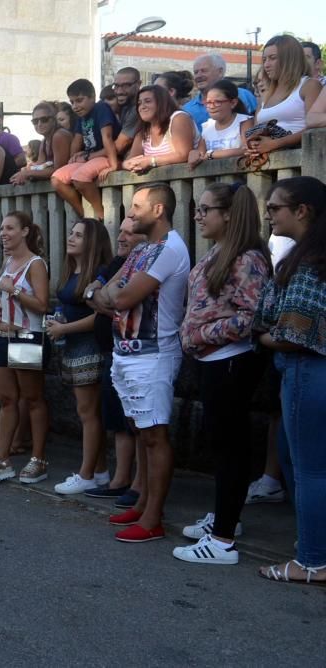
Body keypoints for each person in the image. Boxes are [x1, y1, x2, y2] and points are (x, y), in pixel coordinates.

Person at [173, 183, 271, 565]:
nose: (198, 216)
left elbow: (252, 316)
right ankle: (226, 515)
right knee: (222, 446)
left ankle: (223, 540)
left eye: (205, 210)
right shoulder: (220, 251)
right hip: (214, 361)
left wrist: (200, 335)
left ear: (228, 214)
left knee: (230, 448)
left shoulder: (247, 259)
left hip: (231, 361)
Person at [95, 183, 190, 543]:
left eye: (136, 206)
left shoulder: (169, 249)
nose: (130, 214)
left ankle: (153, 518)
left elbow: (121, 297)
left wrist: (110, 296)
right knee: (140, 431)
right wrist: (108, 295)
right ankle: (145, 502)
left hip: (154, 354)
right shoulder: (143, 250)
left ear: (159, 210)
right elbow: (102, 292)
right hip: (128, 352)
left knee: (154, 434)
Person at [252, 176, 326, 585]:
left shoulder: (309, 261)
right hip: (313, 372)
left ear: (302, 211)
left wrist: (261, 335)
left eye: (276, 207)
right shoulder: (308, 254)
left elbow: (290, 335)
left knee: (310, 470)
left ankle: (312, 560)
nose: (269, 213)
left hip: (307, 372)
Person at [0, 212, 51, 486]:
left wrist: (15, 291)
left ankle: (39, 458)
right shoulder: (8, 261)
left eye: (9, 228)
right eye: (1, 229)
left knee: (33, 399)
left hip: (26, 337)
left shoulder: (35, 264)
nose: (3, 233)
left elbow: (43, 305)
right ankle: (1, 459)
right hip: (2, 336)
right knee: (7, 399)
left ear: (25, 231)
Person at [47, 219, 114, 494]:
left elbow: (99, 317)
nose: (71, 238)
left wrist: (64, 327)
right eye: (71, 233)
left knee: (89, 414)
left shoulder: (99, 272)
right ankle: (99, 471)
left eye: (79, 235)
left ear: (93, 242)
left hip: (88, 346)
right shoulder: (72, 269)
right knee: (85, 412)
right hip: (70, 346)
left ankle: (86, 474)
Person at [85, 217, 148, 504]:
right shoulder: (116, 264)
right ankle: (120, 479)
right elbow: (90, 294)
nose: (121, 237)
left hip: (133, 350)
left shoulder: (143, 264)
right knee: (115, 417)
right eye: (119, 231)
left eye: (128, 233)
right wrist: (104, 299)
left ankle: (138, 484)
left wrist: (107, 302)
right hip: (112, 352)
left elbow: (116, 301)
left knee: (135, 420)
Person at [50, 79, 119, 221]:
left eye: (79, 100)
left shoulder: (101, 108)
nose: (75, 106)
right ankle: (84, 214)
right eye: (72, 102)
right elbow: (77, 140)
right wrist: (73, 159)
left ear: (93, 97)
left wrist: (113, 165)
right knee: (57, 179)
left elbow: (107, 136)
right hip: (91, 158)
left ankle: (101, 214)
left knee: (80, 178)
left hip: (106, 156)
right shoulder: (82, 117)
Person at [246, 35, 322, 162]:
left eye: (272, 58)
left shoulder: (309, 85)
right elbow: (257, 129)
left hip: (298, 163)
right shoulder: (266, 94)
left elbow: (315, 129)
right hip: (266, 166)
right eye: (264, 60)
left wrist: (276, 143)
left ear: (290, 58)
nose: (266, 64)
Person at [122, 85, 199, 175]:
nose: (142, 106)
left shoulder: (178, 118)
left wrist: (151, 161)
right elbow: (131, 160)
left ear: (162, 103)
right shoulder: (143, 132)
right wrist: (125, 164)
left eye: (148, 101)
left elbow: (183, 154)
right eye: (139, 103)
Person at [185, 54, 260, 130]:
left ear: (220, 72)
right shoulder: (187, 110)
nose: (199, 76)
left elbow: (258, 126)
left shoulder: (244, 96)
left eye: (203, 71)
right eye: (196, 72)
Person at [188, 80, 254, 168]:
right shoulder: (207, 126)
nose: (211, 107)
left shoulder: (244, 121)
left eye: (217, 102)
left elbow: (247, 150)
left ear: (233, 103)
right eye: (208, 103)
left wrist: (212, 154)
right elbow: (201, 154)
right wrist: (194, 154)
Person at [9, 101, 73, 185]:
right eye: (35, 121)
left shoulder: (59, 135)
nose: (39, 124)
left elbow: (58, 170)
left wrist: (27, 173)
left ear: (54, 120)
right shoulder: (44, 141)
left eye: (44, 120)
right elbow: (39, 166)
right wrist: (25, 171)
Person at [111, 67, 142, 159]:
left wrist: (88, 156)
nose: (119, 91)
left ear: (139, 84)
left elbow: (119, 147)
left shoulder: (139, 108)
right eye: (116, 86)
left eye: (126, 85)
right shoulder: (123, 106)